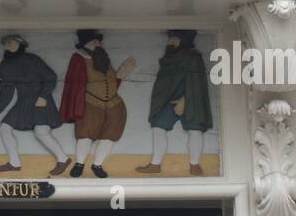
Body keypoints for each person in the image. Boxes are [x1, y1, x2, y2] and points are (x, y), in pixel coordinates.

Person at [0, 34, 70, 176]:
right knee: (4, 128)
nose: (8, 45)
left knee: (41, 132)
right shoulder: (5, 65)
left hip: (41, 100)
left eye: (11, 42)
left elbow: (51, 77)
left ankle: (63, 159)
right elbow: (6, 90)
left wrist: (43, 96)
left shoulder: (32, 59)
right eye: (6, 43)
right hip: (23, 101)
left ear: (20, 43)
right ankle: (14, 163)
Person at [60, 30, 135, 178]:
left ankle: (98, 165)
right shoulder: (79, 59)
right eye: (94, 42)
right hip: (91, 103)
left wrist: (121, 74)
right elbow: (74, 84)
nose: (98, 44)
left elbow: (112, 82)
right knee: (85, 134)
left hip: (114, 104)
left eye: (98, 42)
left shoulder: (104, 60)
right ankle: (79, 164)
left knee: (110, 136)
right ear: (85, 45)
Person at [137, 30, 212, 176]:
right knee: (158, 127)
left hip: (191, 100)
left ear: (183, 41)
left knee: (195, 130)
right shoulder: (168, 58)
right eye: (170, 39)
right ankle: (155, 164)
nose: (170, 42)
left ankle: (195, 165)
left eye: (174, 39)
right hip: (167, 101)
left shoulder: (193, 58)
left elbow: (196, 84)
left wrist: (185, 101)